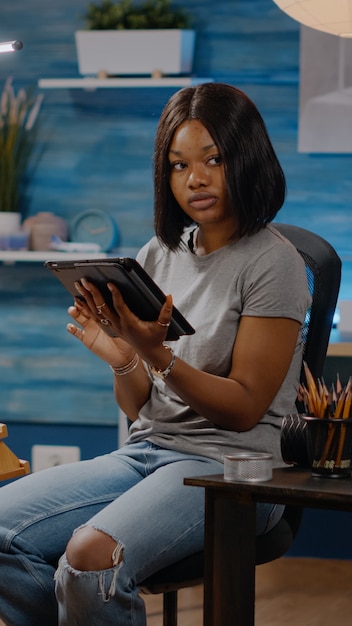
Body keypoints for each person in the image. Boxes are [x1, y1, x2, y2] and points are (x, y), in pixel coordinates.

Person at [0, 82, 311, 626]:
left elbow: (242, 410)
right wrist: (122, 357)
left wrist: (156, 353)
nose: (195, 178)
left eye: (213, 159)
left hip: (235, 471)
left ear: (248, 158)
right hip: (148, 454)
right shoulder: (159, 253)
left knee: (90, 558)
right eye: (178, 164)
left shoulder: (273, 263)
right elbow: (139, 409)